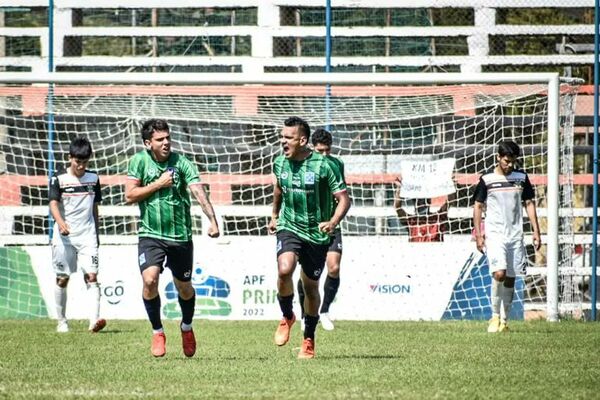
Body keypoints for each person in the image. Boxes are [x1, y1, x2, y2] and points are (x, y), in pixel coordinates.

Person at [125, 118, 220, 358]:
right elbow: (130, 195)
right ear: (148, 143)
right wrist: (158, 183)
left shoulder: (182, 163)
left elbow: (198, 191)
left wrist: (212, 220)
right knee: (150, 281)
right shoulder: (138, 162)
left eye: (168, 137)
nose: (166, 142)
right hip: (151, 235)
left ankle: (186, 328)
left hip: (180, 237)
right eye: (160, 139)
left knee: (184, 288)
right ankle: (158, 332)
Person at [268, 117, 350, 359]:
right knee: (285, 269)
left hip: (317, 234)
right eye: (282, 136)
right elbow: (279, 189)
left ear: (302, 140)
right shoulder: (279, 163)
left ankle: (309, 339)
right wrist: (274, 215)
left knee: (311, 287)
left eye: (288, 137)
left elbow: (344, 199)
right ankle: (287, 316)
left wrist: (333, 222)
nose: (283, 141)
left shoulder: (324, 166)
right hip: (289, 226)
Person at [473, 140, 541, 333]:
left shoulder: (521, 177)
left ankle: (504, 320)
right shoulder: (487, 180)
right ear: (498, 157)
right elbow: (477, 206)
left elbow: (529, 202)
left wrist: (536, 231)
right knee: (499, 273)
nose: (510, 165)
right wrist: (479, 235)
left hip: (516, 235)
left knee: (511, 277)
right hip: (495, 234)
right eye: (506, 161)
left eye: (513, 161)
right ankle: (494, 317)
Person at [49, 136, 106, 334]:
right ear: (70, 158)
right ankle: (62, 321)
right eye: (77, 161)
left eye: (85, 162)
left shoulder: (94, 178)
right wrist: (61, 223)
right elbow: (53, 203)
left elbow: (95, 207)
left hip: (88, 235)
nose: (81, 166)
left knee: (91, 276)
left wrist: (96, 233)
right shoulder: (59, 178)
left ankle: (94, 321)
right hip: (64, 237)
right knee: (62, 278)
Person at [296, 128, 345, 331]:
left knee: (333, 267)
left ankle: (323, 311)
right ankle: (303, 314)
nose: (324, 154)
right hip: (309, 226)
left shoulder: (337, 164)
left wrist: (334, 217)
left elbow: (341, 192)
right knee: (306, 274)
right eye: (320, 150)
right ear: (312, 148)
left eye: (327, 150)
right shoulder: (304, 165)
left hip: (331, 223)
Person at [393, 174, 449, 242]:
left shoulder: (437, 218)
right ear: (415, 204)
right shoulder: (412, 221)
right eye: (419, 201)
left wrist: (451, 186)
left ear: (428, 202)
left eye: (424, 200)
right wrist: (399, 188)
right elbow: (397, 207)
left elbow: (450, 202)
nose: (421, 204)